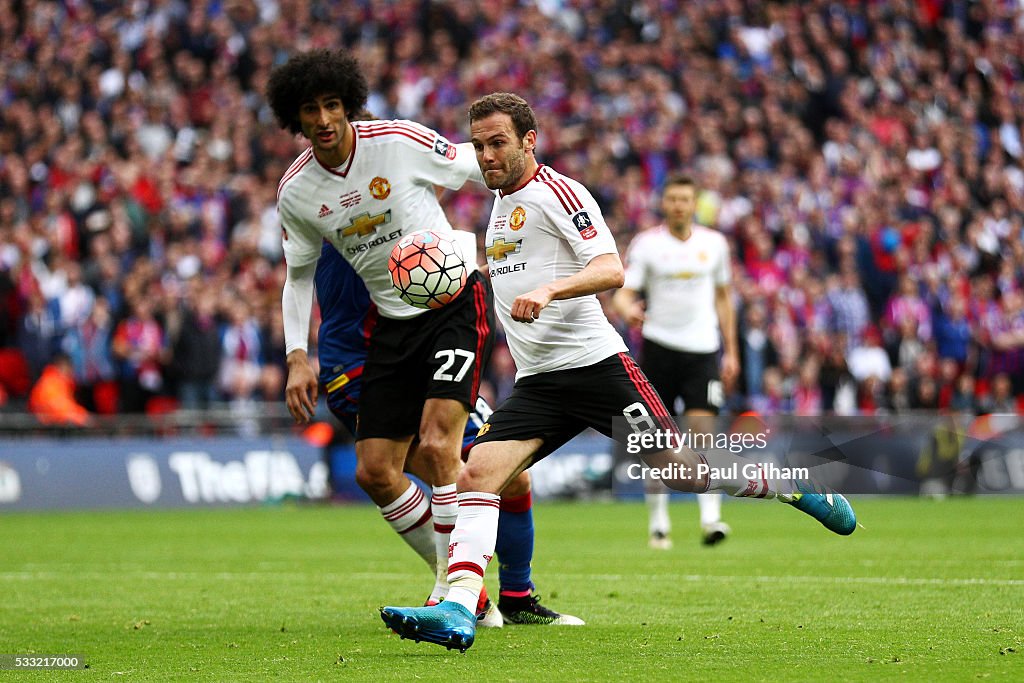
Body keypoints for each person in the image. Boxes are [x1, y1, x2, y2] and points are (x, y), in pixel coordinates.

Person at [380, 92, 857, 652]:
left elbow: (611, 268)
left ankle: (785, 482)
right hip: (539, 383)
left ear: (529, 141)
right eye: (479, 145)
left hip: (597, 369)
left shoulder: (558, 191)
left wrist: (551, 289)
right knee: (476, 475)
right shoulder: (501, 201)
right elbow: (524, 267)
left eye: (498, 143)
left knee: (682, 472)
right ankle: (460, 609)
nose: (485, 155)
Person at [268, 48, 490, 616]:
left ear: (349, 106)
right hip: (392, 323)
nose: (323, 119)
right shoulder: (296, 192)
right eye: (310, 110)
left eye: (332, 105)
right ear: (295, 119)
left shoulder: (397, 141)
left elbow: (478, 166)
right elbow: (296, 278)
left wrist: (526, 222)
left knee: (441, 446)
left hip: (451, 304)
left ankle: (460, 596)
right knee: (373, 470)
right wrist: (298, 355)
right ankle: (460, 585)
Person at [315, 239, 580, 625]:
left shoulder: (408, 215)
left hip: (425, 352)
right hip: (368, 365)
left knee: (513, 478)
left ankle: (516, 598)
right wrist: (295, 353)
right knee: (411, 467)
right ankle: (465, 592)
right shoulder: (323, 210)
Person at [612, 175, 739, 549]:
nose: (679, 205)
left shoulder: (714, 245)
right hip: (659, 348)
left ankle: (711, 518)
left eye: (686, 199)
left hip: (702, 349)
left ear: (694, 204)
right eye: (673, 199)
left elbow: (724, 298)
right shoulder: (648, 245)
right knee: (658, 439)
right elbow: (625, 292)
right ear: (664, 204)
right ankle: (659, 524)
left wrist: (730, 350)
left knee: (703, 432)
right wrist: (627, 310)